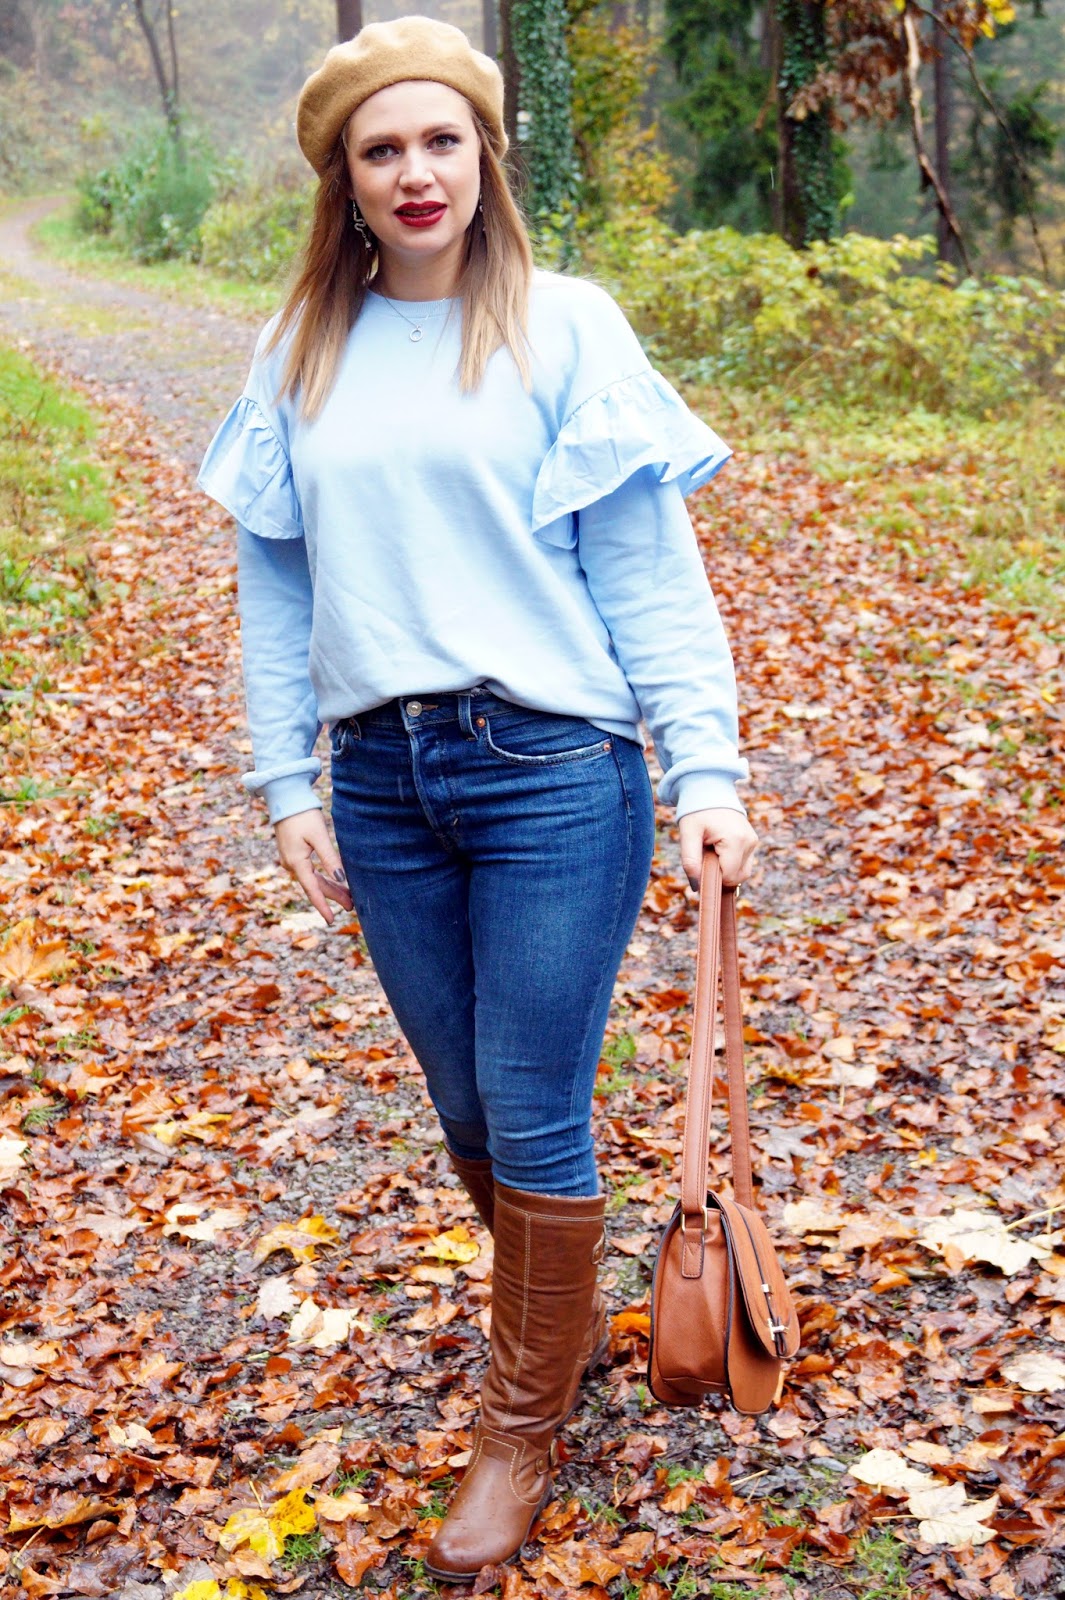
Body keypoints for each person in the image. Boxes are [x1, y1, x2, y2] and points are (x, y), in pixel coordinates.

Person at [198, 13, 757, 1581]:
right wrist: (284, 781)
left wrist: (705, 766)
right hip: (383, 784)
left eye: (439, 139)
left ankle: (520, 1426)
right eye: (380, 150)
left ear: (483, 153)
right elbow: (274, 590)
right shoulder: (296, 350)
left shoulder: (563, 327)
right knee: (460, 1107)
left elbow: (647, 569)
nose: (414, 171)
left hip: (553, 774)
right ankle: (555, 1323)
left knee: (529, 1102)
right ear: (344, 181)